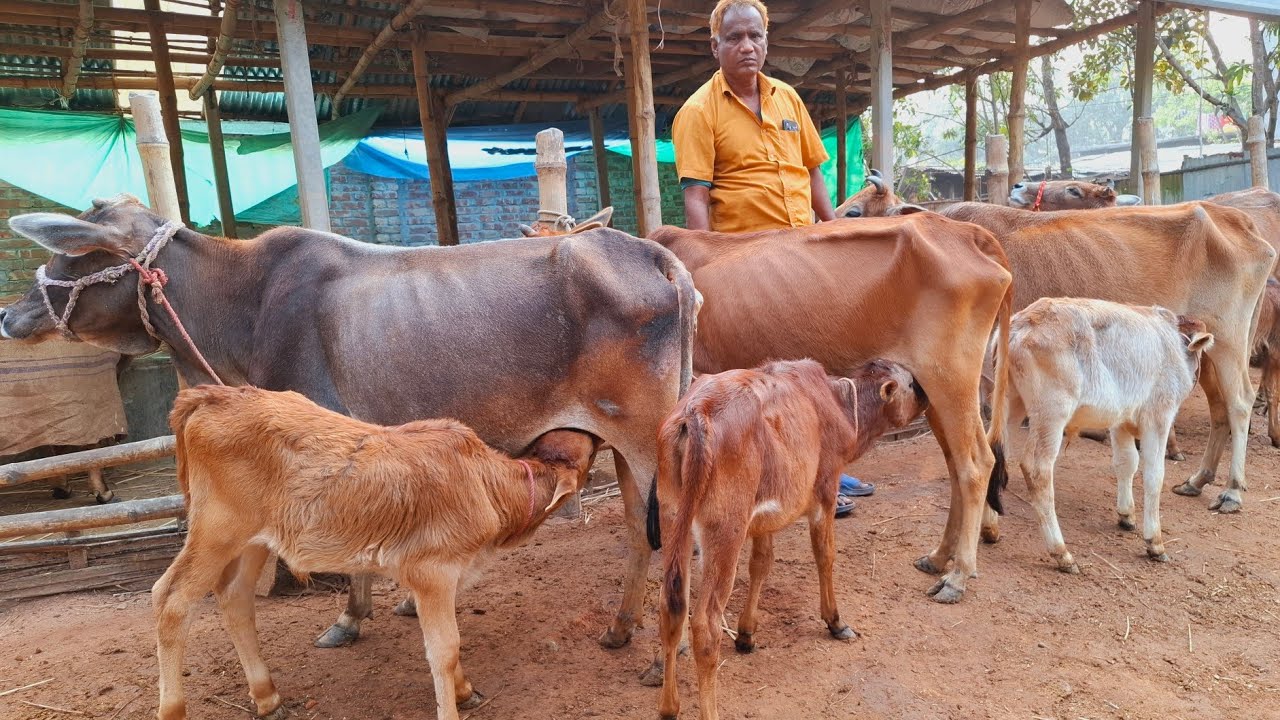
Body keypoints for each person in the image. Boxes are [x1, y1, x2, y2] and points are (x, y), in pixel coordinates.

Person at [671, 0, 873, 517]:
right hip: (748, 267)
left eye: (755, 36)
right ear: (715, 46)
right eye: (735, 38)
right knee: (755, 379)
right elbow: (697, 195)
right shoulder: (697, 112)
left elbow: (813, 174)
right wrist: (707, 266)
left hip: (801, 259)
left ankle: (825, 469)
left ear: (767, 41)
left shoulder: (788, 100)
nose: (747, 47)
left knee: (809, 367)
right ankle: (767, 479)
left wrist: (832, 235)